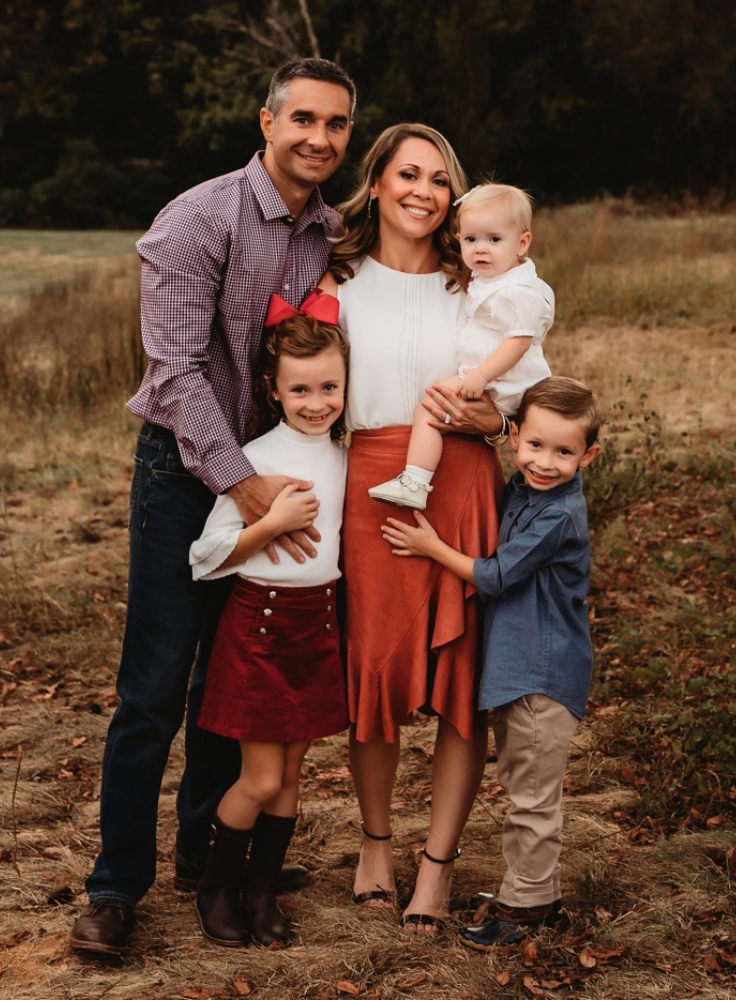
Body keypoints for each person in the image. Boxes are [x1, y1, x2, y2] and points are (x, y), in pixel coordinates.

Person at [69, 57, 356, 956]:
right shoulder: (196, 220)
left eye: (336, 124)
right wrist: (245, 487)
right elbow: (177, 371)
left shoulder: (330, 232)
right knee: (153, 688)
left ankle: (209, 853)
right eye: (302, 119)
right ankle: (115, 889)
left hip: (275, 466)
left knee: (225, 689)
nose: (319, 138)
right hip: (185, 473)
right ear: (264, 122)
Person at [319, 123, 506, 934]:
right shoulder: (335, 277)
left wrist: (493, 419)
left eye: (439, 179)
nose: (424, 192)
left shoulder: (481, 285)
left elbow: (521, 404)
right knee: (377, 669)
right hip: (369, 485)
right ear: (378, 182)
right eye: (408, 175)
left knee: (462, 682)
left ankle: (437, 867)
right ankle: (375, 846)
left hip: (463, 482)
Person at [381, 375, 602, 948]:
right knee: (524, 785)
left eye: (563, 452)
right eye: (535, 445)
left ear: (589, 455)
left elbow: (499, 575)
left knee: (531, 798)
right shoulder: (527, 491)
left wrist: (433, 549)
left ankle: (527, 910)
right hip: (521, 668)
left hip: (542, 672)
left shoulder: (556, 516)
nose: (546, 463)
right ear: (513, 438)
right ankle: (534, 891)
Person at [188, 304, 349, 949]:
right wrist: (270, 526)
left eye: (329, 387)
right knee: (258, 778)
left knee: (290, 776)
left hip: (319, 624)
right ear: (273, 388)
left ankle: (261, 892)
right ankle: (215, 887)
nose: (316, 403)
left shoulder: (348, 453)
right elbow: (205, 560)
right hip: (261, 624)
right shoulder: (254, 462)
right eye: (300, 389)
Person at [369, 183, 553, 511]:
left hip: (500, 379)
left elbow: (520, 342)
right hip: (489, 379)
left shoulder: (518, 291)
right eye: (470, 240)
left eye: (494, 240)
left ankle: (415, 480)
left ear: (522, 243)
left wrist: (481, 376)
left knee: (430, 406)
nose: (480, 250)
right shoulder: (491, 280)